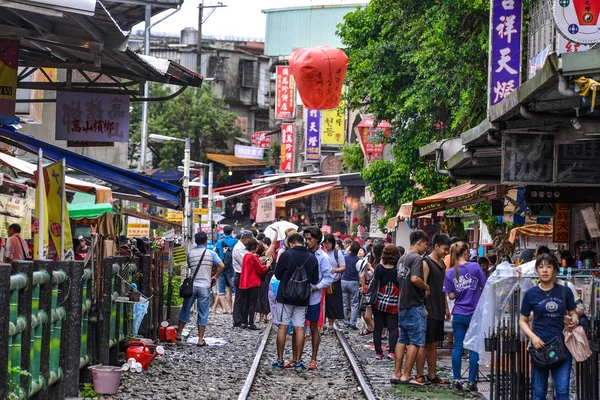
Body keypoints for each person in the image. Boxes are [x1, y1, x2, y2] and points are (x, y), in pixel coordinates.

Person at [519, 253, 577, 400]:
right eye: (541, 267)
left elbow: (574, 313)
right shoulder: (531, 294)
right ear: (537, 271)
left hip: (563, 347)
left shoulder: (565, 291)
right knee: (539, 393)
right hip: (540, 348)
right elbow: (522, 321)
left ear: (555, 270)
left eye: (549, 267)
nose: (545, 270)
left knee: (563, 391)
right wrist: (532, 337)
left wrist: (574, 319)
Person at [273, 233, 320, 372]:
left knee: (282, 327)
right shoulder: (312, 257)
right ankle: (298, 361)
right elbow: (315, 280)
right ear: (302, 242)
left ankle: (280, 360)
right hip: (303, 298)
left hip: (284, 297)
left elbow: (277, 275)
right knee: (300, 328)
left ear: (291, 243)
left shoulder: (286, 255)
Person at [444, 241, 487, 391]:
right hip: (475, 314)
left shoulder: (450, 272)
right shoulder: (475, 267)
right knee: (473, 348)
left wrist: (460, 291)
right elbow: (485, 285)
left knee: (458, 347)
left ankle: (456, 379)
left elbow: (451, 296)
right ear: (466, 252)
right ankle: (471, 382)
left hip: (459, 313)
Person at [391, 230, 429, 386]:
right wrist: (426, 286)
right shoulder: (417, 259)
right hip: (414, 304)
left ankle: (396, 373)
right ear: (419, 242)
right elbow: (414, 278)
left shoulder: (402, 258)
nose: (426, 248)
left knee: (402, 339)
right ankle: (406, 375)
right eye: (426, 244)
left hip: (403, 304)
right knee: (416, 341)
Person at [176, 232, 224, 346]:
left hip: (191, 286)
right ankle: (200, 339)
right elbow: (222, 265)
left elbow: (189, 267)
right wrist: (215, 276)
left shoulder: (190, 254)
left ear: (195, 241)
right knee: (203, 312)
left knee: (185, 309)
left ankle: (178, 334)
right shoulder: (211, 254)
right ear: (206, 241)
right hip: (205, 286)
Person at [416, 234, 452, 384]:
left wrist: (446, 307)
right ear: (436, 246)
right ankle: (419, 374)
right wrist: (423, 306)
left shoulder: (442, 264)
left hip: (439, 308)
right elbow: (421, 287)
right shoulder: (426, 263)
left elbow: (443, 289)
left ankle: (432, 374)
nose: (446, 252)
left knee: (435, 343)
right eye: (444, 249)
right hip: (428, 309)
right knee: (425, 343)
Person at [303, 226, 333, 371]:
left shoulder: (324, 257)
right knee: (298, 326)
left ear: (317, 240)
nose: (307, 242)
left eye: (310, 239)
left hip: (314, 296)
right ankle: (297, 357)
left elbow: (328, 278)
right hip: (300, 296)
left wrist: (315, 288)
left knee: (314, 326)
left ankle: (313, 358)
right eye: (306, 239)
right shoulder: (303, 254)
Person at [372, 245, 401, 360]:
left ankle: (378, 353)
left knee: (378, 328)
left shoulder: (379, 268)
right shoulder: (398, 269)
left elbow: (374, 284)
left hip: (378, 302)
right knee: (393, 328)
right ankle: (392, 351)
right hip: (393, 303)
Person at [239, 238, 268, 330]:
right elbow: (260, 269)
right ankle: (251, 323)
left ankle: (244, 322)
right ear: (255, 247)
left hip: (245, 282)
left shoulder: (245, 256)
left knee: (246, 302)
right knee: (253, 303)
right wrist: (267, 266)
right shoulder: (254, 257)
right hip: (253, 282)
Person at [322, 234, 346, 333]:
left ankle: (331, 325)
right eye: (325, 243)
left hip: (334, 282)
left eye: (328, 243)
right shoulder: (322, 252)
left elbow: (343, 267)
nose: (326, 245)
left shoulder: (337, 253)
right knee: (323, 303)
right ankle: (322, 324)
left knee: (333, 304)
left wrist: (334, 270)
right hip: (323, 282)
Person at [360, 242, 383, 336]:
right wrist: (365, 270)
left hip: (376, 292)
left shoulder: (381, 263)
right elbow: (370, 277)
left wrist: (370, 268)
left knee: (369, 316)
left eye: (373, 252)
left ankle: (377, 334)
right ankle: (375, 332)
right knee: (366, 314)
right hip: (371, 290)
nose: (372, 254)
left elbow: (379, 275)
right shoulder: (374, 262)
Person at [232, 230, 254, 328]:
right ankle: (237, 320)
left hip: (244, 274)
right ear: (244, 238)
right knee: (239, 298)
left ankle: (241, 319)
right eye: (249, 239)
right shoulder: (237, 248)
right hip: (240, 274)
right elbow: (244, 263)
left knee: (244, 298)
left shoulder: (243, 247)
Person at [341, 241, 361, 329]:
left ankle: (345, 322)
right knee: (354, 303)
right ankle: (353, 322)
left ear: (350, 249)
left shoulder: (344, 258)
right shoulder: (359, 260)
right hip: (354, 282)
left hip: (344, 280)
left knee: (344, 303)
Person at [212, 242, 235, 314]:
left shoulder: (217, 251)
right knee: (233, 290)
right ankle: (233, 309)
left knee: (221, 291)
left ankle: (224, 309)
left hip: (220, 271)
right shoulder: (230, 251)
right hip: (230, 271)